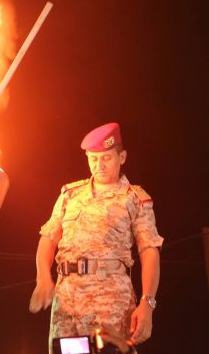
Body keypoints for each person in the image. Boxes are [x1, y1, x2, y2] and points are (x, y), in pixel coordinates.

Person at [29, 122, 163, 353]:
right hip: (67, 304)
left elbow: (149, 250)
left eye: (106, 158)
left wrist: (147, 303)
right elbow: (47, 239)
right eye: (93, 159)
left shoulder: (134, 198)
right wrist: (43, 278)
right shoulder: (70, 195)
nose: (98, 165)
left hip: (111, 303)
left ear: (122, 157)